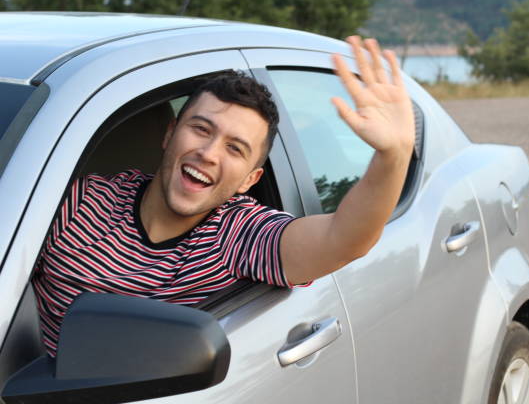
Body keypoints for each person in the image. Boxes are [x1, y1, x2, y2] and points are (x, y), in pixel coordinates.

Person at [32, 36, 416, 356]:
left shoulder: (235, 235)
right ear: (169, 135)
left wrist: (393, 157)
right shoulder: (78, 204)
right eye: (201, 129)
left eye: (235, 148)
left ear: (251, 179)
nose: (209, 153)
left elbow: (342, 239)